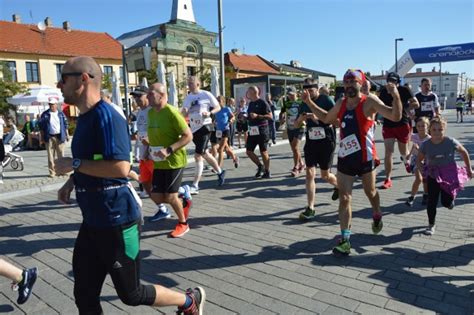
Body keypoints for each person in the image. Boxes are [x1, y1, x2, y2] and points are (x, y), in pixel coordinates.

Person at [55, 56, 205, 314]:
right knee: (84, 294)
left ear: (83, 79)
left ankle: (189, 301)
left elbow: (121, 168)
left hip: (118, 219)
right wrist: (71, 181)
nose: (59, 85)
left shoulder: (108, 116)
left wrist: (75, 164)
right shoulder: (85, 117)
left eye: (63, 78)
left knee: (131, 294)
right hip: (92, 220)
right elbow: (94, 161)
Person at [302, 69, 402, 256]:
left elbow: (395, 116)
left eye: (352, 82)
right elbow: (325, 118)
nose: (348, 85)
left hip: (365, 158)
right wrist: (308, 103)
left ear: (361, 84)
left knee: (370, 192)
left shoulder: (369, 101)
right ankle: (345, 239)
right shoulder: (341, 102)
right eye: (346, 82)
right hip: (346, 158)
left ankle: (377, 213)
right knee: (345, 197)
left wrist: (396, 96)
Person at [146, 83, 194, 237]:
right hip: (158, 161)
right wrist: (148, 145)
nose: (147, 96)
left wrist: (169, 149)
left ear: (161, 95)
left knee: (171, 197)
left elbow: (188, 136)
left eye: (150, 94)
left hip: (175, 161)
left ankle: (183, 224)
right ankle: (184, 197)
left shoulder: (172, 112)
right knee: (157, 196)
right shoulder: (151, 113)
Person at [416, 117, 472, 235]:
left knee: (446, 202)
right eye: (434, 129)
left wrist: (469, 169)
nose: (437, 132)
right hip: (433, 174)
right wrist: (421, 169)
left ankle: (450, 201)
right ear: (430, 130)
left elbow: (464, 152)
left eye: (440, 129)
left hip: (448, 174)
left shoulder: (450, 141)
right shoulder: (426, 145)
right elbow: (418, 160)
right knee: (432, 201)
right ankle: (431, 225)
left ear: (444, 130)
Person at [295, 78, 339, 220]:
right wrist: (302, 119)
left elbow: (337, 121)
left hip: (326, 140)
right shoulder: (303, 103)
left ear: (317, 89)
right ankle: (311, 207)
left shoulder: (326, 100)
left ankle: (338, 185)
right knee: (309, 174)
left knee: (325, 176)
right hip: (311, 141)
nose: (307, 93)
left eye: (310, 90)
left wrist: (318, 118)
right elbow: (295, 125)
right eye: (305, 90)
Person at [126, 86, 170, 221]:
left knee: (161, 187)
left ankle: (182, 192)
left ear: (148, 96)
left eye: (139, 96)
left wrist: (151, 142)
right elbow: (141, 134)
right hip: (143, 155)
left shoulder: (154, 111)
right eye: (135, 97)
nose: (137, 100)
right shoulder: (139, 112)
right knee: (145, 184)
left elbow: (162, 130)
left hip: (155, 155)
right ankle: (163, 209)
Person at [181, 76, 225, 195]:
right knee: (204, 153)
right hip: (194, 128)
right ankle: (220, 172)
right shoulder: (188, 97)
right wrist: (182, 113)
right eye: (188, 84)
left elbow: (218, 107)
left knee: (197, 155)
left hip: (206, 126)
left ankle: (195, 185)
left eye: (191, 83)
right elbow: (184, 111)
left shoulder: (206, 94)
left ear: (198, 84)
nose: (189, 85)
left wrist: (209, 112)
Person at [379, 72, 420, 189]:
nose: (392, 83)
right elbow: (378, 106)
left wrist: (405, 106)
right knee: (388, 152)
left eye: (394, 81)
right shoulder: (383, 91)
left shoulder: (404, 90)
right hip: (388, 125)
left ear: (398, 82)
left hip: (402, 124)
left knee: (403, 151)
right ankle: (388, 178)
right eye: (389, 81)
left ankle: (407, 162)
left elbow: (416, 104)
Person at [246, 86, 272, 178]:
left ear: (253, 92)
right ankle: (260, 166)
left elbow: (270, 116)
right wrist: (244, 117)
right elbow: (250, 116)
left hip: (262, 129)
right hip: (252, 130)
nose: (247, 93)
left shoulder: (263, 102)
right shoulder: (250, 104)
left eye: (248, 92)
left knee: (263, 151)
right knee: (249, 151)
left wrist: (258, 116)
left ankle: (267, 171)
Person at [39, 98, 69, 177]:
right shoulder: (45, 114)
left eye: (53, 104)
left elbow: (66, 125)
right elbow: (41, 127)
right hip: (49, 136)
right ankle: (52, 172)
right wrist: (42, 138)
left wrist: (67, 135)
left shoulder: (61, 114)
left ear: (56, 104)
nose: (51, 106)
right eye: (50, 104)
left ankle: (62, 171)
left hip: (60, 136)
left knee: (61, 155)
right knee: (50, 156)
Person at [405, 117, 431, 206]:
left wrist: (419, 149)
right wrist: (408, 155)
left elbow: (428, 153)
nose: (421, 128)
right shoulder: (414, 136)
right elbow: (411, 144)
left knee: (425, 180)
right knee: (418, 178)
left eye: (423, 126)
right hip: (416, 160)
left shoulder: (429, 139)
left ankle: (426, 195)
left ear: (427, 126)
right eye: (419, 126)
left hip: (426, 161)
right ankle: (411, 197)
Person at [279, 87, 305, 177]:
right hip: (290, 128)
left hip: (300, 127)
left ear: (296, 93)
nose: (290, 96)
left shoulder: (301, 103)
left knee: (295, 147)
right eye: (288, 94)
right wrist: (281, 118)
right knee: (294, 149)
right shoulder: (287, 103)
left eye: (291, 94)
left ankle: (296, 167)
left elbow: (305, 113)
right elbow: (281, 112)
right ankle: (302, 163)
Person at [215, 96, 239, 168]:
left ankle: (218, 167)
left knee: (220, 149)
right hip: (219, 131)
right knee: (226, 148)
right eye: (217, 100)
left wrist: (231, 120)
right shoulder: (216, 110)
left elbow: (233, 117)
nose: (218, 102)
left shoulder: (226, 109)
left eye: (219, 100)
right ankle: (235, 158)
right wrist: (214, 122)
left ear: (223, 101)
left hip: (226, 129)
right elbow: (215, 119)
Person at [0, 114, 5, 184]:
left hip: (0, 140)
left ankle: (0, 175)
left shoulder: (1, 120)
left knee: (1, 158)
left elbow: (5, 126)